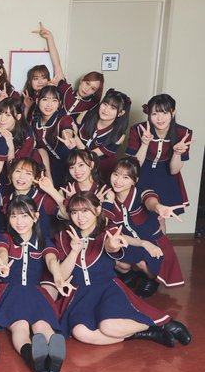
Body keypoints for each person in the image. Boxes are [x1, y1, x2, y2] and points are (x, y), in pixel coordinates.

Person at [55, 192, 191, 347]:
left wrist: (138, 243)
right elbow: (61, 276)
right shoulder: (63, 237)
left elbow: (114, 242)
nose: (80, 217)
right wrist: (74, 251)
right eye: (74, 212)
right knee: (80, 332)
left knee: (108, 326)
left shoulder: (107, 233)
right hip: (79, 294)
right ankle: (145, 332)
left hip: (107, 289)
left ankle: (163, 325)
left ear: (98, 210)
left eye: (85, 210)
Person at [0, 196, 67, 372]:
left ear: (35, 217)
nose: (19, 222)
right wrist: (3, 264)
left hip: (35, 292)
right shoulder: (5, 238)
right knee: (21, 325)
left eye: (24, 216)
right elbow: (2, 251)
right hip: (11, 292)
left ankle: (47, 358)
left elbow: (51, 259)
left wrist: (58, 276)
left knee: (41, 324)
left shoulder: (44, 241)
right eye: (14, 216)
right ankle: (38, 358)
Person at [104, 157, 185, 297]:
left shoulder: (141, 192)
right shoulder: (108, 196)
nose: (118, 181)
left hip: (152, 240)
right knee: (112, 258)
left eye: (125, 177)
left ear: (134, 181)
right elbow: (109, 227)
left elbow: (150, 200)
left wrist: (158, 207)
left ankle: (151, 279)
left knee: (142, 263)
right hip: (129, 240)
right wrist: (107, 202)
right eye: (116, 174)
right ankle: (131, 275)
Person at [125, 94, 193, 231]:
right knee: (134, 216)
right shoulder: (138, 129)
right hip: (141, 173)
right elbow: (134, 165)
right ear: (149, 114)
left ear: (173, 113)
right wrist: (145, 144)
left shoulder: (183, 133)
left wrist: (177, 153)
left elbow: (174, 170)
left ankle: (162, 245)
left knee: (160, 218)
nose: (160, 118)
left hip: (166, 176)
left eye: (164, 113)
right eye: (155, 113)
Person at [73, 89, 132, 182]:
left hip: (100, 172)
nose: (106, 110)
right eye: (105, 104)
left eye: (113, 108)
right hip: (75, 165)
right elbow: (68, 131)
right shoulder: (85, 115)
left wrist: (75, 137)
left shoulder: (119, 136)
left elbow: (89, 156)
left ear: (121, 113)